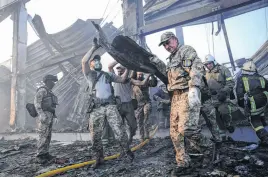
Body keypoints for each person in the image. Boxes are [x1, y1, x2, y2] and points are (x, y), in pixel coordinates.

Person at [81, 39, 134, 169]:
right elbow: (83, 61)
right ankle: (99, 159)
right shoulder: (90, 75)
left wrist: (128, 66)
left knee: (120, 132)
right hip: (96, 108)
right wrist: (93, 48)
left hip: (110, 106)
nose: (98, 61)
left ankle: (127, 153)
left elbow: (122, 79)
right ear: (92, 64)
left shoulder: (108, 75)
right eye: (95, 60)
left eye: (99, 60)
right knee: (95, 136)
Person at [158, 31, 204, 174]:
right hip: (175, 97)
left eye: (168, 42)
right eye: (164, 44)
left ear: (175, 39)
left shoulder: (185, 50)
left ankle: (207, 149)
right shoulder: (170, 59)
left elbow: (196, 67)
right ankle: (183, 162)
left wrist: (194, 88)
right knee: (174, 132)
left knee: (186, 129)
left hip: (186, 93)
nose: (166, 46)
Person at [102, 62, 154, 145]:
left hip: (128, 105)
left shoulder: (129, 80)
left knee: (133, 126)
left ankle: (130, 138)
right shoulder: (114, 78)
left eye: (121, 70)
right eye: (118, 70)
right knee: (119, 125)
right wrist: (119, 59)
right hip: (118, 105)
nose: (119, 72)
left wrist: (148, 75)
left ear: (125, 71)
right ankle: (123, 142)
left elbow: (142, 83)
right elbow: (109, 66)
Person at [203, 54, 238, 139]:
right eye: (207, 64)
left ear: (214, 62)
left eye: (210, 63)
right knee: (215, 115)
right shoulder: (206, 73)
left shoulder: (223, 69)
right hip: (212, 98)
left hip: (222, 96)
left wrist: (223, 92)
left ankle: (228, 124)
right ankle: (222, 131)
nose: (208, 65)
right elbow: (205, 86)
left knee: (224, 112)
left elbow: (231, 83)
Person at [236, 61, 268, 145]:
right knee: (260, 111)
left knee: (254, 119)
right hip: (264, 101)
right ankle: (264, 122)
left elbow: (239, 94)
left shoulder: (241, 78)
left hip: (253, 103)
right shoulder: (261, 77)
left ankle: (264, 137)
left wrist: (243, 105)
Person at [34, 74, 58, 163]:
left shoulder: (49, 92)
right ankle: (39, 156)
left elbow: (51, 105)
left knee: (48, 136)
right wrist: (41, 114)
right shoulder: (42, 90)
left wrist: (54, 116)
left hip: (49, 115)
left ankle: (45, 153)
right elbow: (37, 103)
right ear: (48, 81)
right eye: (52, 81)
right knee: (43, 136)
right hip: (44, 116)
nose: (54, 83)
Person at [132, 71, 157, 141]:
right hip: (138, 104)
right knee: (139, 121)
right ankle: (141, 136)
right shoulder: (133, 82)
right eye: (138, 74)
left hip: (146, 102)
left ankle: (147, 134)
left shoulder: (146, 81)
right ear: (136, 75)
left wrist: (152, 76)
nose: (140, 76)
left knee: (146, 117)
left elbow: (154, 83)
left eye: (141, 74)